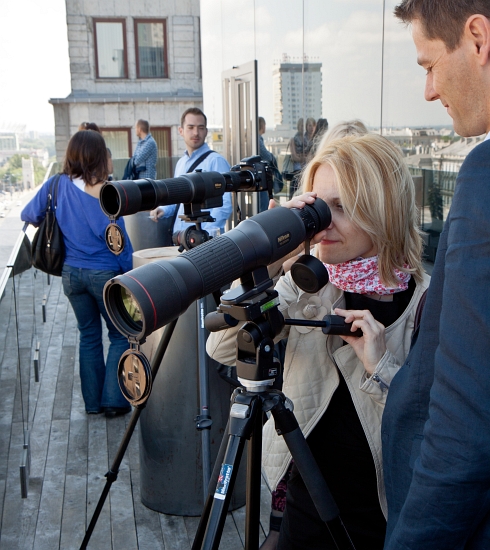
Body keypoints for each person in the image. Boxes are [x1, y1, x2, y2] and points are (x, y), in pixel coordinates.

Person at [207, 133, 429, 550]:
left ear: (384, 212)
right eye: (317, 205)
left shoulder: (426, 305)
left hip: (380, 524)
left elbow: (431, 439)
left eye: (341, 207)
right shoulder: (308, 284)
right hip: (303, 517)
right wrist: (265, 256)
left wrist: (382, 369)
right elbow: (220, 348)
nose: (324, 221)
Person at [381, 2, 490, 548]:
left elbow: (466, 427)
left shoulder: (485, 178)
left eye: (428, 65)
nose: (428, 91)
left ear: (477, 38)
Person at [21, 130, 133, 417]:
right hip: (104, 275)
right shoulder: (106, 193)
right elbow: (118, 244)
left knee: (88, 336)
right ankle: (113, 400)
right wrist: (129, 276)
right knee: (121, 334)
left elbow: (29, 215)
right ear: (99, 156)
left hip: (71, 275)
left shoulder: (55, 185)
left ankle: (93, 404)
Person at [149, 107, 232, 236]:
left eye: (200, 128)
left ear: (206, 131)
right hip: (182, 238)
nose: (196, 133)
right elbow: (177, 198)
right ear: (181, 131)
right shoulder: (181, 163)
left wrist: (206, 232)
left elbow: (225, 203)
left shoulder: (216, 161)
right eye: (191, 127)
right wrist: (163, 209)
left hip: (204, 240)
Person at [258, 116, 283, 212]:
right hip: (261, 178)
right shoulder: (258, 140)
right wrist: (273, 158)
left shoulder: (258, 139)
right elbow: (267, 157)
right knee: (264, 205)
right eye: (264, 124)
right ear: (261, 125)